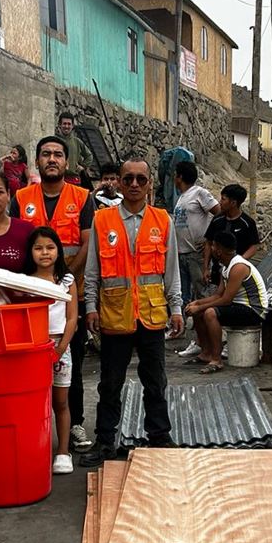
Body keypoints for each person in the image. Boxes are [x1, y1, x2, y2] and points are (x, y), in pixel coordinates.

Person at [81, 158, 184, 468]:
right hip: (114, 316)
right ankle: (105, 441)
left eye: (141, 179)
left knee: (156, 381)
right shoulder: (102, 221)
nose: (135, 184)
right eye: (129, 179)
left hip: (152, 316)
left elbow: (172, 271)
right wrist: (90, 307)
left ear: (149, 183)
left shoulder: (163, 220)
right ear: (119, 183)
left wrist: (176, 308)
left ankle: (159, 436)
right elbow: (92, 271)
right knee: (110, 383)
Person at [9, 136, 97, 452]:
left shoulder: (83, 197)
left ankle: (73, 425)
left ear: (66, 162)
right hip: (32, 298)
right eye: (46, 154)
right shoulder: (20, 197)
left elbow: (87, 242)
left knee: (70, 359)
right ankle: (36, 424)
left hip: (72, 292)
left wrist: (63, 275)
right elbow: (18, 241)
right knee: (31, 363)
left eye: (58, 154)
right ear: (37, 160)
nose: (52, 159)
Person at [24, 227, 78, 475]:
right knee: (35, 403)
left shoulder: (67, 281)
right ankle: (37, 450)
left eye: (49, 247)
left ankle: (63, 451)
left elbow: (71, 317)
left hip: (59, 349)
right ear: (30, 252)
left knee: (61, 401)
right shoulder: (24, 281)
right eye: (38, 248)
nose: (44, 253)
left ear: (58, 250)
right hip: (33, 349)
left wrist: (62, 347)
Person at [185, 230, 269, 374]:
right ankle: (206, 352)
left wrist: (201, 307)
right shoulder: (227, 266)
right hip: (238, 305)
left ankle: (216, 359)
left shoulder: (238, 267)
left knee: (210, 313)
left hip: (253, 310)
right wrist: (197, 303)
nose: (210, 249)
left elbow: (225, 300)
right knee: (198, 312)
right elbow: (218, 295)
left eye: (213, 246)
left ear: (219, 250)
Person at [171, 161, 219, 359]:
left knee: (202, 298)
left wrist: (210, 239)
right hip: (182, 255)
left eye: (175, 175)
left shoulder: (200, 193)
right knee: (187, 298)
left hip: (196, 256)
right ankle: (196, 339)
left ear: (179, 177)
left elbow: (219, 213)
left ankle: (206, 342)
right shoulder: (181, 198)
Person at [204, 184, 261, 292]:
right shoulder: (217, 220)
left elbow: (254, 246)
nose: (220, 202)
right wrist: (206, 268)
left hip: (236, 275)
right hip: (216, 272)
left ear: (233, 203)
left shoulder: (247, 223)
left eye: (223, 199)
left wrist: (238, 263)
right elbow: (208, 243)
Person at [57, 112, 93, 184]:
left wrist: (83, 166)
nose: (66, 126)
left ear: (73, 126)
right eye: (64, 123)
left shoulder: (77, 141)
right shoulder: (54, 141)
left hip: (74, 179)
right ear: (59, 125)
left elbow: (89, 156)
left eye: (69, 124)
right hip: (58, 178)